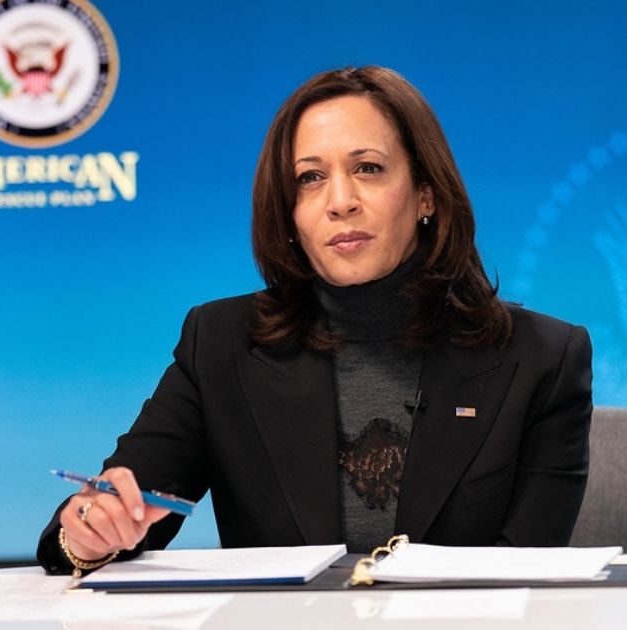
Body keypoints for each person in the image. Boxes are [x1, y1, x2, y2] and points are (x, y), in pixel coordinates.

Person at [38, 66, 592, 577]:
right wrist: (91, 533)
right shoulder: (221, 345)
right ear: (289, 213)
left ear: (426, 194)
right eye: (310, 178)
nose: (340, 201)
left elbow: (529, 582)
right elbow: (111, 511)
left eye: (368, 169)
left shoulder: (542, 358)